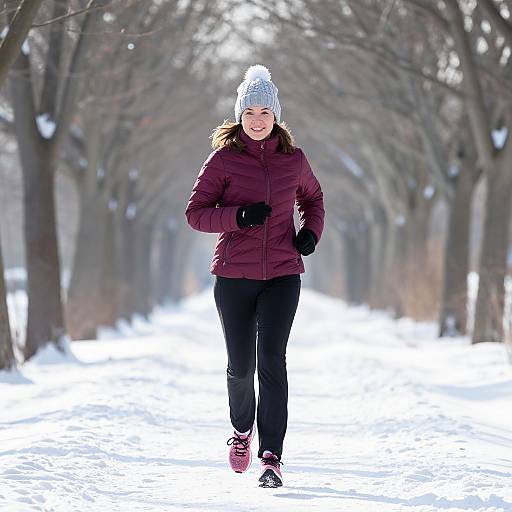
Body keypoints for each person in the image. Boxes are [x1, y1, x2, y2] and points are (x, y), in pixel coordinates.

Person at [185, 64, 324, 488]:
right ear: (240, 117)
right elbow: (195, 214)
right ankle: (242, 431)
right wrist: (239, 217)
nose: (258, 120)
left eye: (265, 112)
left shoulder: (293, 160)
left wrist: (309, 234)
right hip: (234, 275)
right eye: (250, 113)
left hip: (283, 273)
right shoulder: (224, 160)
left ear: (276, 116)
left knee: (272, 363)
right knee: (241, 366)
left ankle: (271, 456)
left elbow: (314, 199)